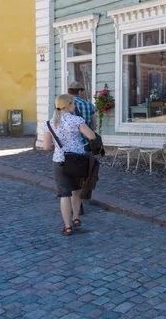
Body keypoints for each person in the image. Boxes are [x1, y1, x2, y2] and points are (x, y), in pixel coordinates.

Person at [43, 94, 96, 236]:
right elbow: (91, 136)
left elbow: (46, 147)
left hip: (59, 161)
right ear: (69, 105)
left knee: (64, 194)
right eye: (73, 104)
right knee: (76, 190)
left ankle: (67, 227)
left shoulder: (49, 123)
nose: (75, 106)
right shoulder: (77, 120)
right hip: (77, 160)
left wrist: (59, 145)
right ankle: (76, 218)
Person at [67, 81, 96, 216]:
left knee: (72, 176)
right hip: (86, 145)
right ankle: (81, 198)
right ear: (79, 92)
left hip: (70, 146)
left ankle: (77, 204)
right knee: (84, 174)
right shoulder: (88, 105)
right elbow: (94, 127)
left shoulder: (65, 107)